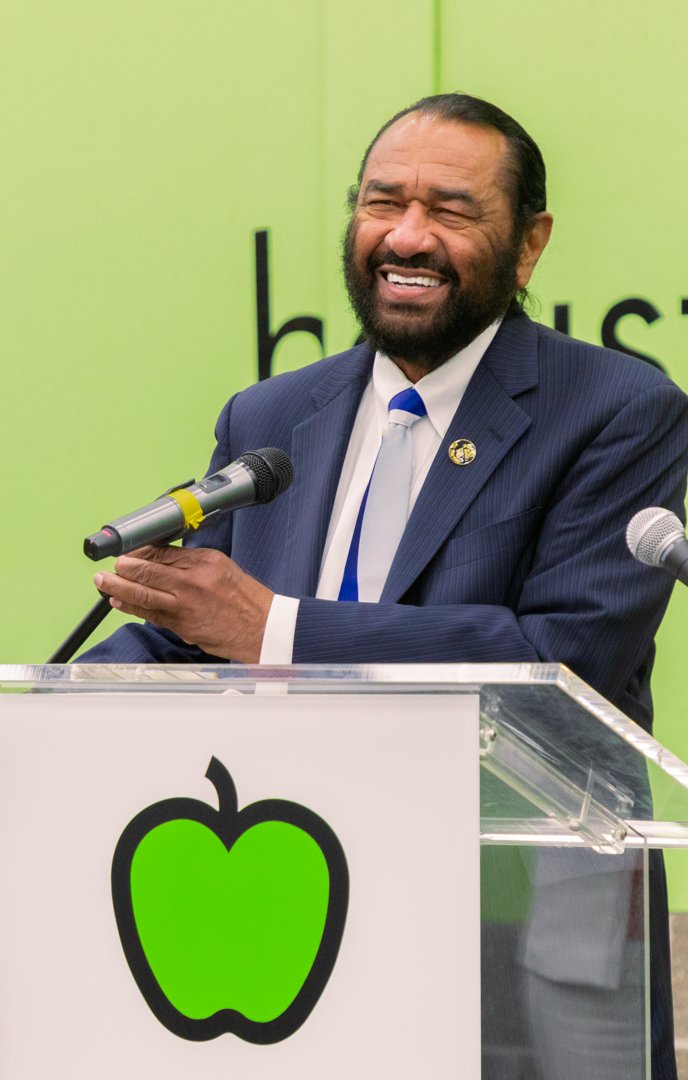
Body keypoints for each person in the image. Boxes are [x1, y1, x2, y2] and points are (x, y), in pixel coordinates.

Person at [81, 93, 688, 1078]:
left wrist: (276, 629)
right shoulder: (273, 414)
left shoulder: (616, 411)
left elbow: (565, 657)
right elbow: (190, 628)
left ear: (527, 245)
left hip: (522, 915)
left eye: (451, 211)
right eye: (380, 203)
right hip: (293, 900)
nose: (406, 236)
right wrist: (76, 710)